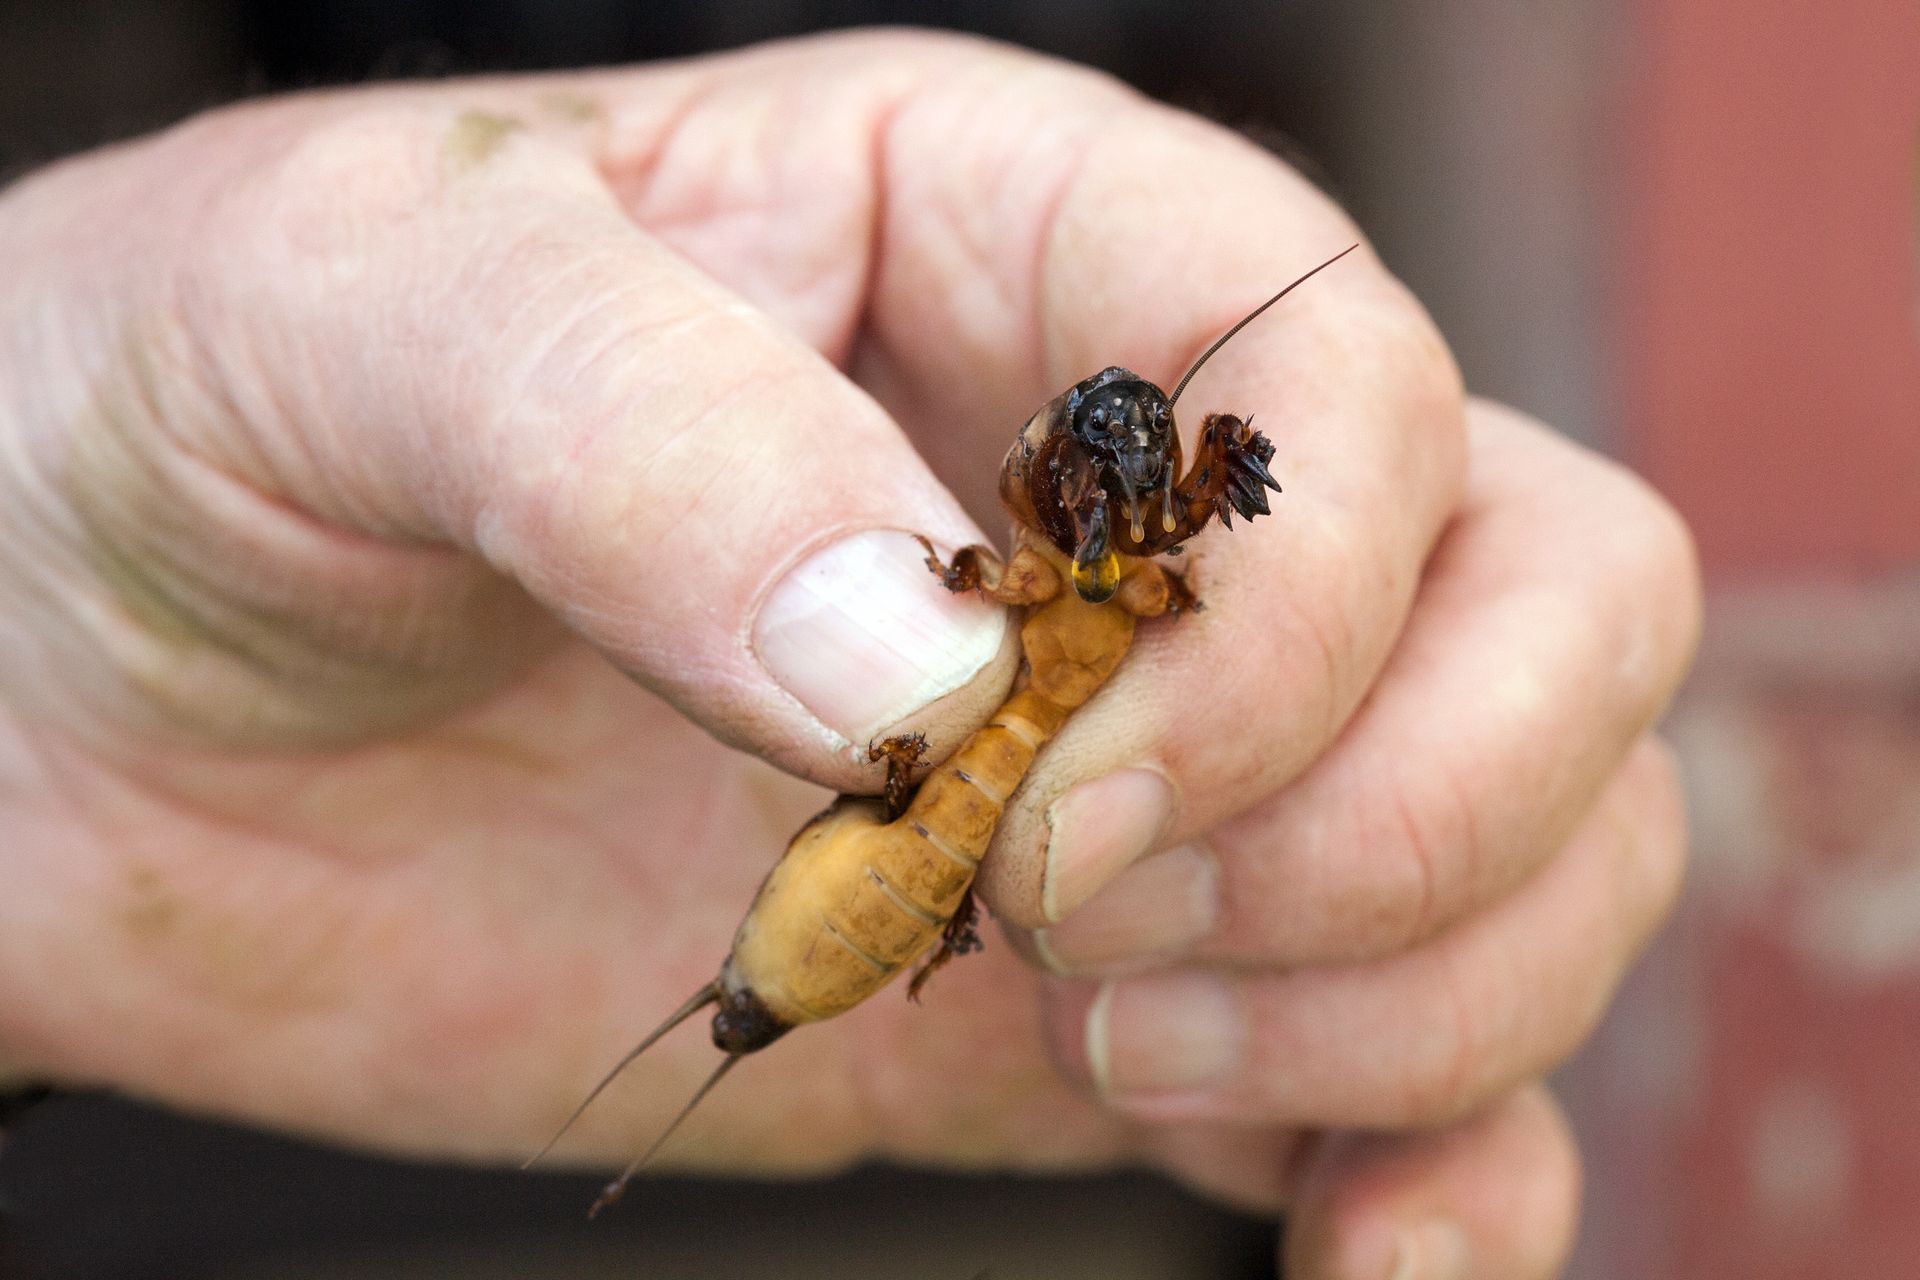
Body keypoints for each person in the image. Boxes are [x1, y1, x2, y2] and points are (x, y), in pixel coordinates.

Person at [0, 30, 1697, 1280]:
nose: (1121, 465)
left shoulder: (1133, 579)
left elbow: (1186, 569)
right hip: (893, 851)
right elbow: (1009, 553)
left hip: (944, 862)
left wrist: (1242, 486)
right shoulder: (1029, 560)